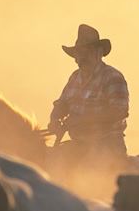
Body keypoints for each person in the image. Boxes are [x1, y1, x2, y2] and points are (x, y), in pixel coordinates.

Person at [48, 24, 129, 180]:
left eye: (85, 53)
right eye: (77, 55)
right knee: (51, 163)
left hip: (108, 144)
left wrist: (83, 120)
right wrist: (54, 120)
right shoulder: (75, 77)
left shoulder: (112, 77)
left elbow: (119, 111)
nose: (79, 59)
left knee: (90, 175)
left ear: (98, 53)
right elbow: (62, 104)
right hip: (79, 144)